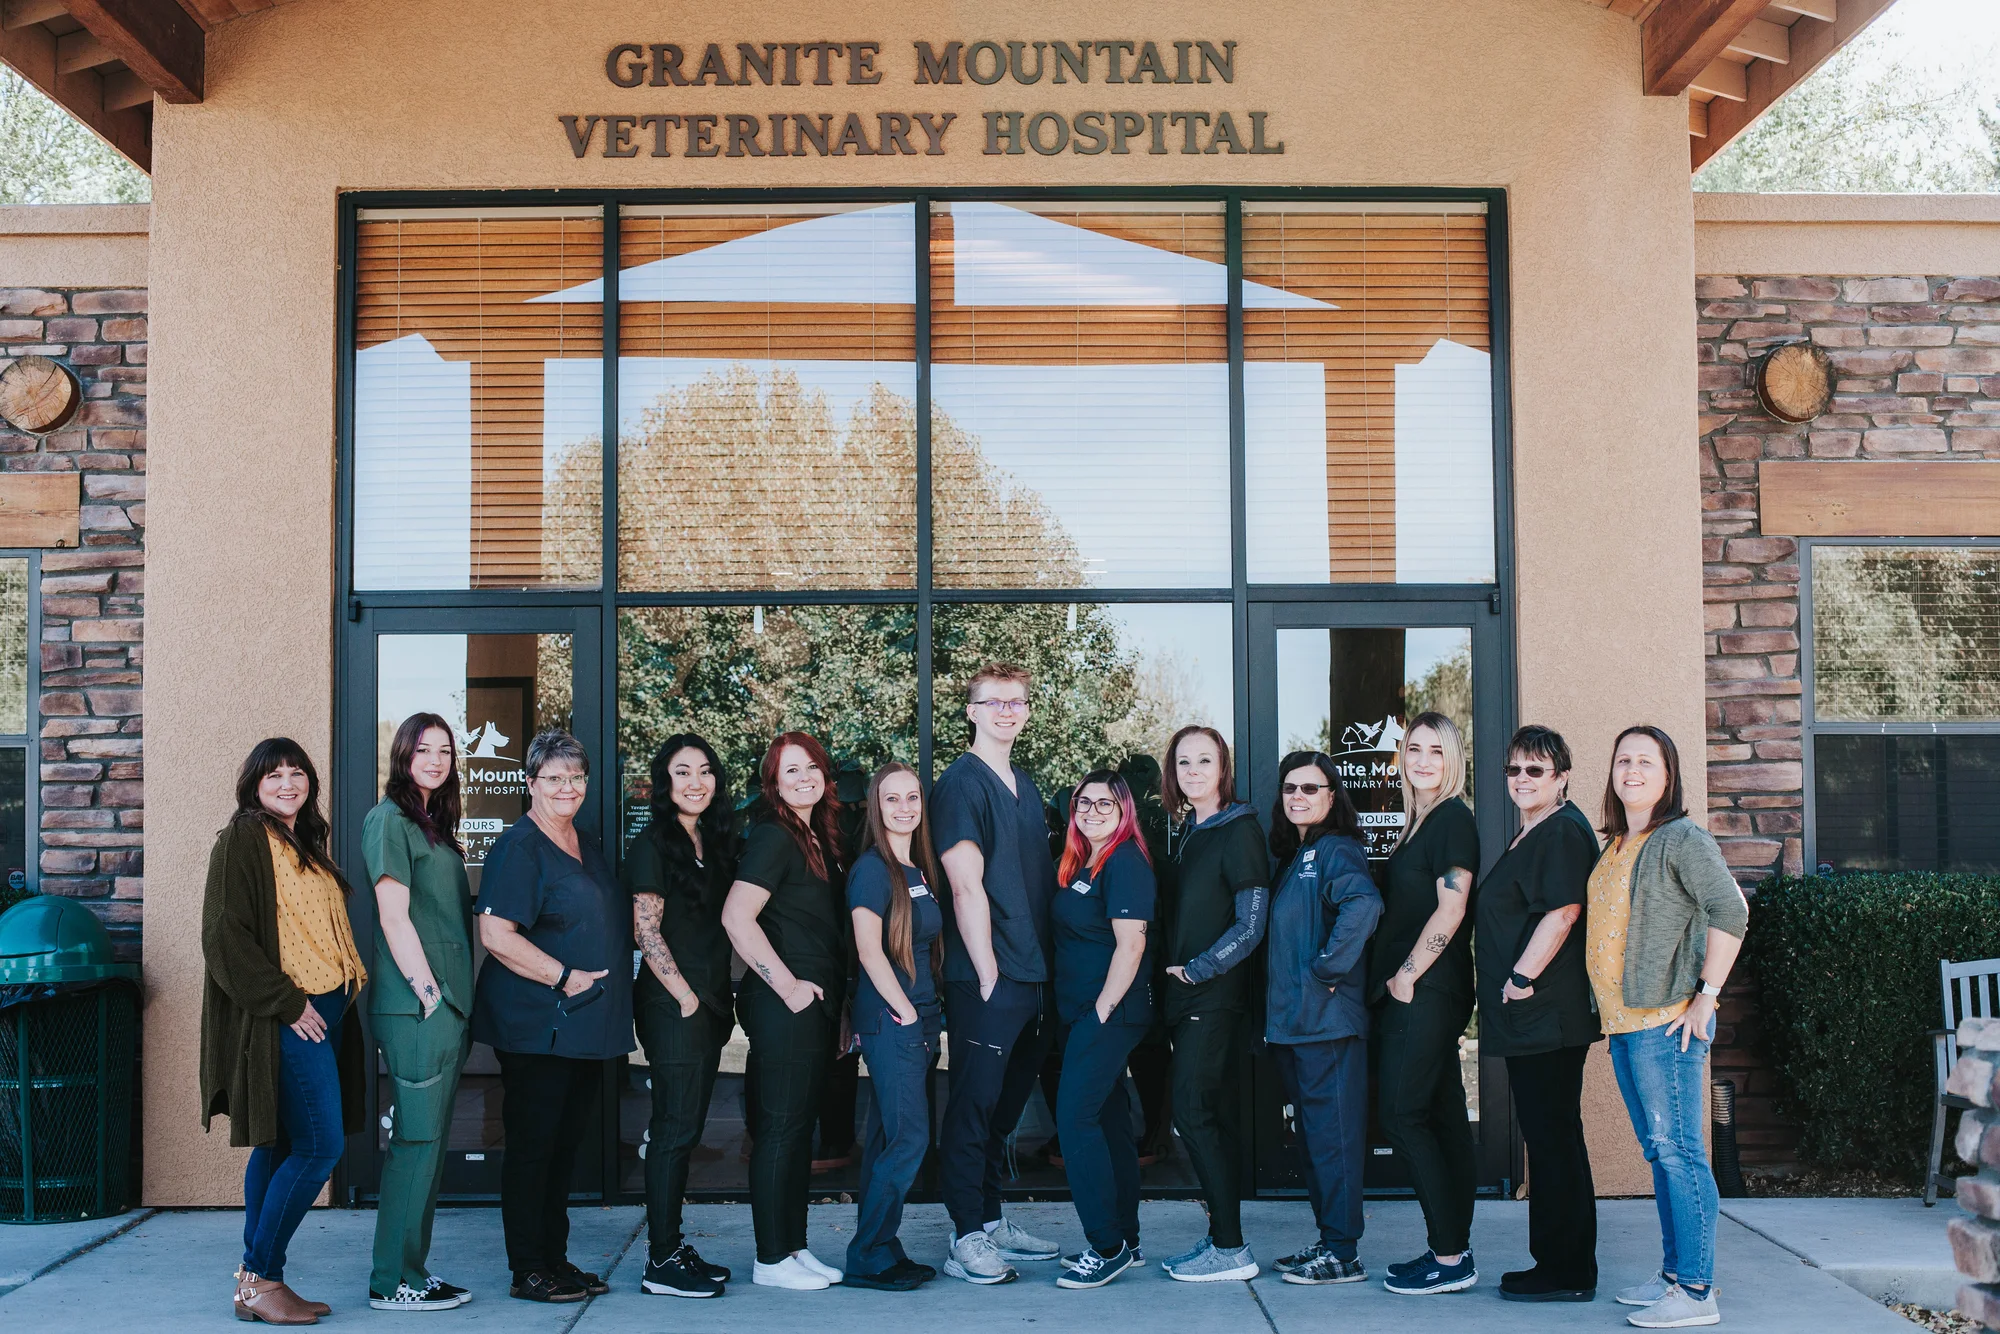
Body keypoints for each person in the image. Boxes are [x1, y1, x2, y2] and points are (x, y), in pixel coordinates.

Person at [200, 738, 367, 1326]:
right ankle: (261, 1276)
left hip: (322, 1008)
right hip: (290, 1013)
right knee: (321, 1146)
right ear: (254, 783)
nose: (288, 782)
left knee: (281, 1142)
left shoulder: (304, 841)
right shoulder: (244, 837)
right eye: (274, 774)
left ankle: (255, 1281)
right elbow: (224, 936)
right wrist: (288, 1004)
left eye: (298, 772)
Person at [1592, 727, 1748, 1331]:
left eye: (1645, 761)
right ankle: (1672, 1276)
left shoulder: (1682, 838)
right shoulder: (1620, 843)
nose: (1631, 770)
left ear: (1668, 774)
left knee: (1680, 1153)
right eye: (1623, 759)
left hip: (1666, 1023)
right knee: (1661, 1154)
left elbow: (1730, 909)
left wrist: (1706, 997)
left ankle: (1697, 1290)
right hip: (1625, 1022)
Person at [471, 730, 631, 1305]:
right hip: (538, 1024)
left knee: (564, 1149)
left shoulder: (582, 841)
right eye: (555, 778)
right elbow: (496, 935)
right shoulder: (520, 846)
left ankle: (556, 1259)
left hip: (583, 1023)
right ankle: (528, 1269)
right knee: (535, 1148)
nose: (568, 787)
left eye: (576, 777)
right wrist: (565, 977)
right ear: (531, 783)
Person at [931, 662, 1063, 1284]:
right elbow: (965, 882)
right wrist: (986, 969)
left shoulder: (1026, 786)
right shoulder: (961, 783)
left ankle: (989, 1220)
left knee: (1004, 1109)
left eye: (1017, 701)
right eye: (994, 702)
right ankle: (964, 1238)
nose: (1007, 711)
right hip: (989, 975)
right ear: (971, 711)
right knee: (974, 1107)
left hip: (1032, 975)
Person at [1474, 725, 1603, 1303]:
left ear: (1562, 777)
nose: (1522, 780)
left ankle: (1567, 1272)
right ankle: (1556, 1263)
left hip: (1546, 1016)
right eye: (1515, 770)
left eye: (1536, 771)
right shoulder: (1535, 830)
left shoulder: (1562, 833)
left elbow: (1564, 911)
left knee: (1553, 1141)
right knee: (1551, 1139)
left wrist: (1521, 977)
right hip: (1533, 1017)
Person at [721, 732, 849, 1290]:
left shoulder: (816, 836)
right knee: (779, 1131)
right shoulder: (774, 836)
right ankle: (771, 1259)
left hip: (813, 1005)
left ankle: (793, 1247)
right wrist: (788, 986)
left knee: (798, 1133)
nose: (803, 777)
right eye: (789, 770)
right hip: (783, 1004)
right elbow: (736, 917)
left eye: (811, 767)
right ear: (773, 783)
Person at [365, 715, 475, 1312]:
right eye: (423, 749)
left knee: (428, 1146)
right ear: (402, 755)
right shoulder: (389, 821)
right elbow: (393, 915)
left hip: (442, 1007)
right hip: (418, 1009)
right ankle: (392, 1281)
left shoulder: (431, 823)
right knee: (415, 1143)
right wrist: (430, 995)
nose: (435, 759)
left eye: (445, 750)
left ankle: (414, 1270)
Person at [1371, 713, 1481, 1296]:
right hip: (1423, 989)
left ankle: (1449, 1255)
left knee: (1402, 1115)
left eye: (1435, 752)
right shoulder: (1421, 822)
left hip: (1428, 990)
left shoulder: (1452, 821)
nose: (1422, 761)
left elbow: (1452, 908)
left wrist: (1407, 976)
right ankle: (1452, 1251)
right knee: (1439, 1116)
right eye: (1414, 749)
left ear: (1452, 760)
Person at [1264, 750, 1382, 1288]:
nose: (1298, 797)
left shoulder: (1335, 849)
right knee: (1314, 1141)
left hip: (1328, 1025)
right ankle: (1328, 1238)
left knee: (1332, 1141)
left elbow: (1364, 907)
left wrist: (1325, 971)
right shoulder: (1298, 854)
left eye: (1311, 789)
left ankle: (1344, 1253)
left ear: (1333, 797)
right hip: (1296, 1027)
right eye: (1290, 788)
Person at [627, 734, 738, 1299]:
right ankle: (660, 1262)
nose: (695, 781)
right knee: (672, 1131)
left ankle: (671, 1245)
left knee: (686, 1128)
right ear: (665, 783)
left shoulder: (714, 841)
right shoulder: (654, 843)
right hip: (675, 1005)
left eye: (704, 771)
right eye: (682, 772)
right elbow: (646, 930)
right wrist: (686, 997)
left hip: (709, 1003)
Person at [1156, 725, 1268, 1283]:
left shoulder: (1239, 829)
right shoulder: (1190, 831)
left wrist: (1198, 969)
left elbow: (1251, 925)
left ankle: (1231, 1248)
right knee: (1206, 1116)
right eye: (1183, 763)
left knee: (1193, 1113)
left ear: (1223, 768)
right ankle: (1224, 1239)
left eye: (1205, 760)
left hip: (1214, 998)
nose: (1194, 771)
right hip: (1186, 1001)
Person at [1048, 772, 1157, 1290]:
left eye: (1104, 803)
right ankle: (1126, 1241)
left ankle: (1105, 1246)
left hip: (1110, 1012)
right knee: (1109, 1121)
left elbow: (1131, 945)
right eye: (1083, 802)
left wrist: (1102, 1011)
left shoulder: (1126, 862)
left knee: (1074, 1118)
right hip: (1087, 1013)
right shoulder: (1080, 863)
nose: (1092, 810)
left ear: (1123, 810)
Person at [843, 762, 947, 1291]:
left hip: (919, 1020)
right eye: (892, 799)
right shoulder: (872, 869)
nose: (904, 807)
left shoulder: (918, 870)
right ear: (874, 807)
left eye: (913, 798)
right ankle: (867, 1253)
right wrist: (904, 1010)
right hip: (893, 1022)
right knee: (909, 1140)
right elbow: (868, 948)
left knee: (889, 1137)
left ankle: (879, 1245)